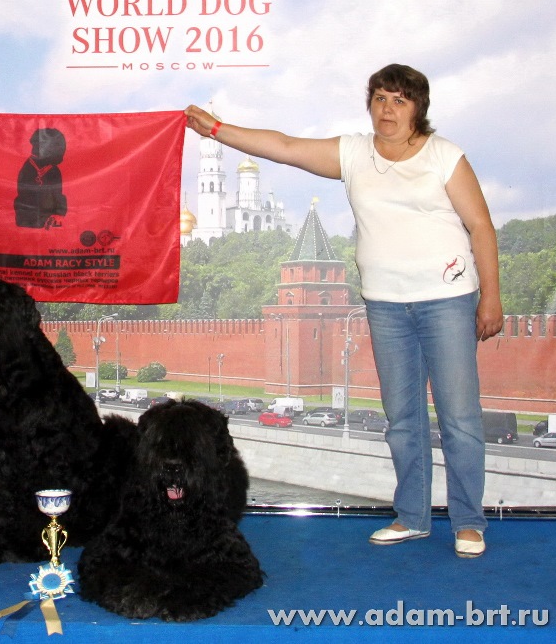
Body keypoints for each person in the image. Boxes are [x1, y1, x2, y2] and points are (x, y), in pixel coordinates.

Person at [185, 63, 503, 558]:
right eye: (379, 98)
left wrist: (491, 297)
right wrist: (217, 130)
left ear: (418, 107)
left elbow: (480, 226)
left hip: (446, 299)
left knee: (459, 417)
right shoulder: (354, 153)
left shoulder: (445, 156)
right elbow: (285, 146)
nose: (387, 109)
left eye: (399, 100)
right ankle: (412, 517)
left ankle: (468, 522)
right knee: (403, 419)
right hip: (385, 304)